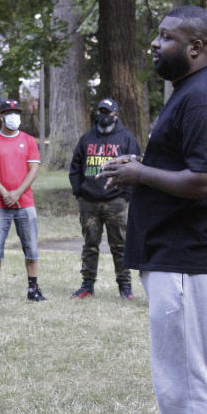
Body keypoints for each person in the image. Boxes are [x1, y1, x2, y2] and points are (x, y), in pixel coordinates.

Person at [99, 5, 207, 414]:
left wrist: (140, 172)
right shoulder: (189, 93)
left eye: (165, 37)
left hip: (189, 257)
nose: (155, 44)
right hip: (174, 256)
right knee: (174, 380)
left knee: (189, 379)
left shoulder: (202, 97)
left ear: (196, 47)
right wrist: (137, 176)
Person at [68, 98, 141, 300]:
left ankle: (125, 287)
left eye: (107, 112)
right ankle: (87, 286)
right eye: (101, 111)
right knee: (90, 245)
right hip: (89, 202)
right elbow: (75, 168)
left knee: (120, 246)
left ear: (116, 115)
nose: (104, 116)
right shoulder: (86, 139)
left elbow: (138, 168)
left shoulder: (126, 139)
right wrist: (79, 192)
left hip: (116, 202)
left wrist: (126, 196)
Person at [0, 99, 45, 303]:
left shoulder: (28, 140)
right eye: (9, 112)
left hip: (25, 203)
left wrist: (17, 193)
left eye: (16, 112)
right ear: (1, 116)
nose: (13, 116)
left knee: (31, 248)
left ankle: (33, 288)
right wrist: (5, 193)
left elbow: (33, 169)